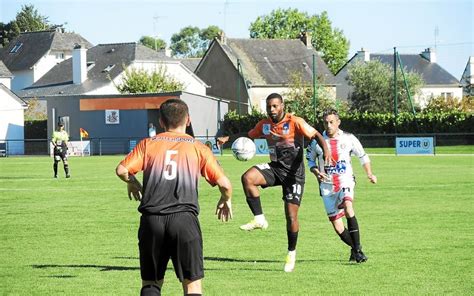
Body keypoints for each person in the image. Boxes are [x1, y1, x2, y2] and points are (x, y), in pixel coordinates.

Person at [116, 99, 233, 296]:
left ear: (161, 122)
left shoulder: (148, 144)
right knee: (192, 286)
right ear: (188, 120)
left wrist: (133, 183)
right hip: (184, 221)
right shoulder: (198, 148)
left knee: (151, 283)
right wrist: (225, 198)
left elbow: (121, 170)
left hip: (152, 220)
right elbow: (225, 184)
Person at [239, 93, 330, 272]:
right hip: (275, 168)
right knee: (247, 178)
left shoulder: (295, 122)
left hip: (294, 175)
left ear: (282, 106)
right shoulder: (264, 125)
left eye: (274, 106)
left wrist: (325, 151)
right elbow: (247, 135)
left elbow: (317, 134)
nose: (271, 110)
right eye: (268, 107)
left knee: (291, 216)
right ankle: (259, 219)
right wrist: (228, 138)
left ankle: (291, 253)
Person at [306, 109, 377, 263]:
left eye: (331, 122)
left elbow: (363, 156)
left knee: (348, 206)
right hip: (327, 187)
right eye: (326, 122)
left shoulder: (349, 139)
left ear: (338, 122)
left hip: (345, 180)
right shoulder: (316, 142)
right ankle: (355, 249)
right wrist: (316, 171)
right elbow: (310, 160)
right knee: (338, 227)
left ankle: (357, 250)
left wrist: (369, 173)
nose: (328, 125)